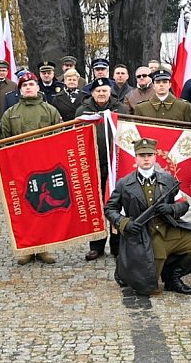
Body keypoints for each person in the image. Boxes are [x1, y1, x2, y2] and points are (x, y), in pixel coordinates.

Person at [105, 138, 191, 295]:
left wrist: (171, 208)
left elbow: (183, 204)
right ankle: (124, 269)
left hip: (169, 229)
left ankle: (172, 277)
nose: (146, 159)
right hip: (143, 235)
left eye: (149, 155)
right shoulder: (124, 184)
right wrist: (125, 223)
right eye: (142, 155)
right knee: (148, 288)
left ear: (155, 157)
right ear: (136, 158)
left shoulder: (167, 180)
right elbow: (110, 208)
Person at [1, 72, 63, 265]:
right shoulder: (10, 113)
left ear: (37, 87)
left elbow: (59, 137)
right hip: (21, 169)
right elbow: (4, 141)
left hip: (44, 167)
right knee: (25, 208)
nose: (28, 88)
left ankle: (44, 247)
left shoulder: (50, 111)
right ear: (20, 90)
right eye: (24, 85)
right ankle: (28, 247)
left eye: (31, 84)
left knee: (44, 208)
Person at [76, 78, 130, 260]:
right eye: (98, 91)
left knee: (117, 203)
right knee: (95, 205)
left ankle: (117, 245)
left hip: (116, 164)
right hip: (93, 164)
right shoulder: (83, 111)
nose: (101, 94)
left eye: (104, 90)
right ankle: (96, 246)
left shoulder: (121, 109)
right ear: (92, 93)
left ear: (110, 92)